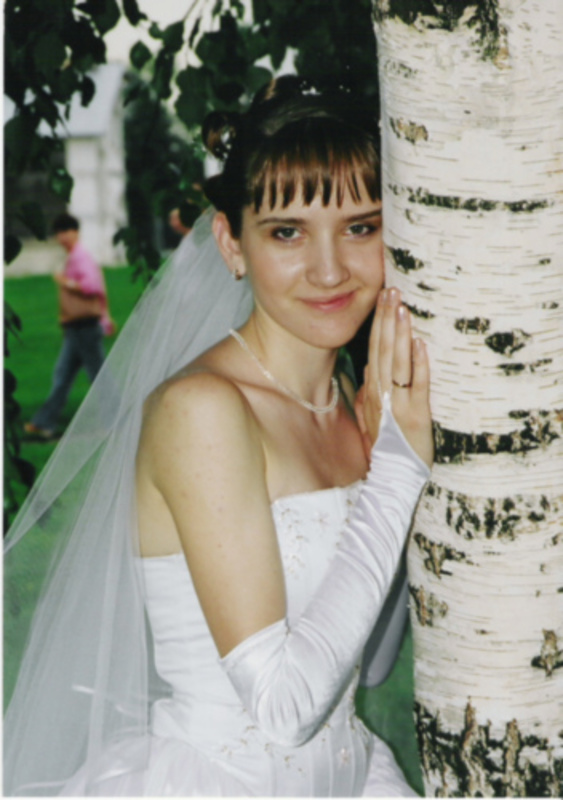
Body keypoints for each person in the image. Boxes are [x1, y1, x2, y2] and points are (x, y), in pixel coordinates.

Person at [4, 77, 433, 796]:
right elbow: (284, 711)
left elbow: (374, 664)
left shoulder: (353, 408)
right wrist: (397, 471)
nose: (330, 268)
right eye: (286, 232)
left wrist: (391, 457)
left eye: (361, 227)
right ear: (231, 243)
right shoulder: (200, 410)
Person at [24, 213, 114, 440]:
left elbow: (92, 285)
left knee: (97, 377)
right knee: (63, 374)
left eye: (66, 231)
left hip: (84, 326)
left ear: (76, 232)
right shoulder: (74, 256)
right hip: (75, 327)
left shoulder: (80, 257)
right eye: (58, 233)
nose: (62, 237)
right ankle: (44, 422)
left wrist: (65, 282)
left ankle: (116, 421)